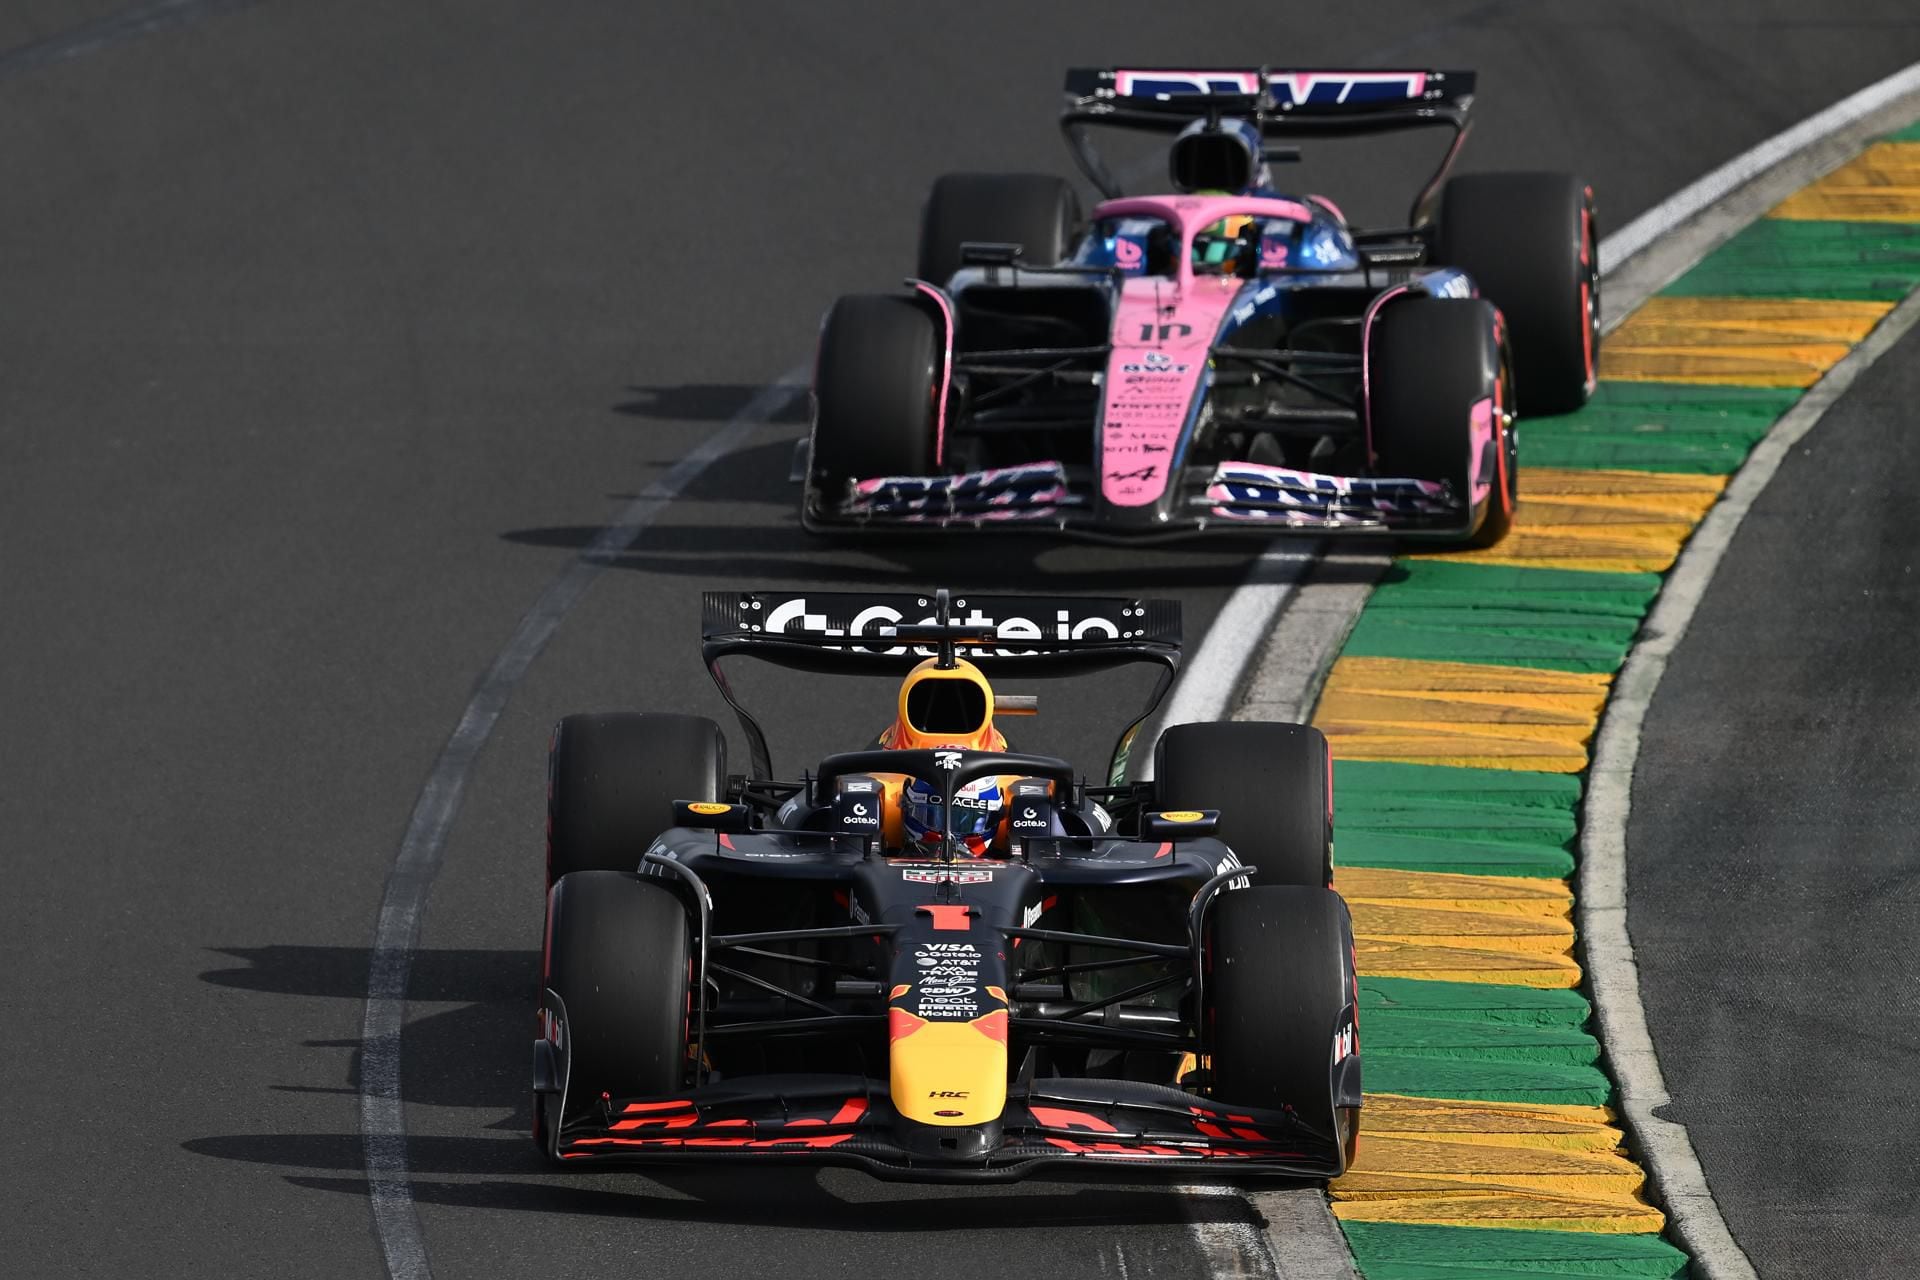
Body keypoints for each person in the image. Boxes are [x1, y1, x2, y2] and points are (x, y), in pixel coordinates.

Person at [871, 656, 1017, 857]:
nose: (949, 838)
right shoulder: (886, 797)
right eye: (933, 817)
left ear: (996, 814)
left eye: (966, 819)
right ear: (906, 804)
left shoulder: (1010, 793)